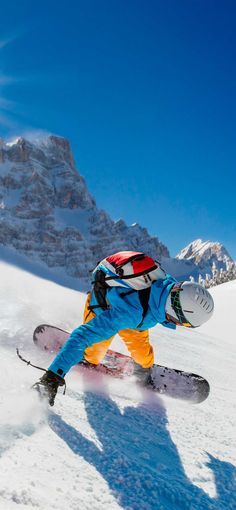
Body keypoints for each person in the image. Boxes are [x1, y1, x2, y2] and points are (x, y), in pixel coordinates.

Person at [33, 251, 214, 406]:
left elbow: (143, 307)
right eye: (183, 322)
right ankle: (86, 357)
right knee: (94, 355)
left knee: (143, 356)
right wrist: (52, 377)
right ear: (174, 313)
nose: (179, 325)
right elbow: (82, 336)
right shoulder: (129, 313)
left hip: (139, 319)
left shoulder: (167, 288)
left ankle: (142, 371)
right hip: (105, 308)